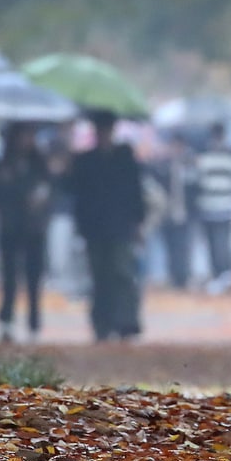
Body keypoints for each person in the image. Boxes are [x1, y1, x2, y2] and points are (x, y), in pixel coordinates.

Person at [68, 110, 146, 342]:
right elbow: (76, 192)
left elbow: (135, 192)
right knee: (99, 276)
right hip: (95, 227)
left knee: (122, 272)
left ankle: (126, 321)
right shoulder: (85, 161)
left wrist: (137, 221)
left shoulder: (125, 157)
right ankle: (102, 323)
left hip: (120, 225)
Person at [0, 123, 53, 344]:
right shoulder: (4, 164)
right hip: (10, 227)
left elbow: (50, 187)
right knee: (9, 276)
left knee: (33, 277)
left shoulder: (39, 163)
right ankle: (6, 320)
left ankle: (34, 323)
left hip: (33, 228)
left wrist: (41, 198)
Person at [195, 122, 231, 294]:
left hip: (209, 207)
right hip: (225, 207)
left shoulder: (202, 160)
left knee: (215, 243)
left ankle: (221, 275)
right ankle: (224, 275)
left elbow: (197, 183)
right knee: (222, 242)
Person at [154, 133, 197, 289]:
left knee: (184, 246)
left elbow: (194, 189)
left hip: (185, 213)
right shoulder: (162, 165)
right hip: (167, 213)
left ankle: (183, 276)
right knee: (170, 246)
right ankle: (173, 276)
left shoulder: (189, 165)